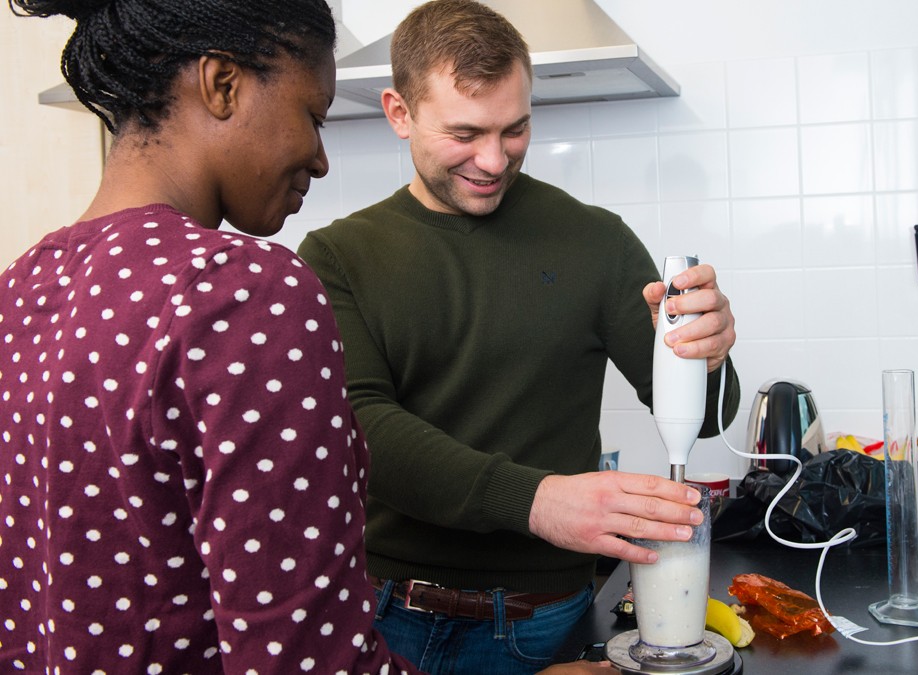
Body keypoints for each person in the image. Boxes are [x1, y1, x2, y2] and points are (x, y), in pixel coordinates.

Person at [0, 2, 612, 673]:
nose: (321, 160)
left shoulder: (22, 285)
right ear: (222, 84)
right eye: (313, 117)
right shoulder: (244, 291)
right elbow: (308, 657)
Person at [295, 1, 741, 672]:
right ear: (399, 112)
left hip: (542, 622)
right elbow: (361, 429)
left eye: (516, 128)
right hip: (385, 612)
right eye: (465, 133)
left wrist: (708, 355)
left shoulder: (596, 241)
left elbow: (706, 419)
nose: (493, 159)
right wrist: (538, 501)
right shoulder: (337, 255)